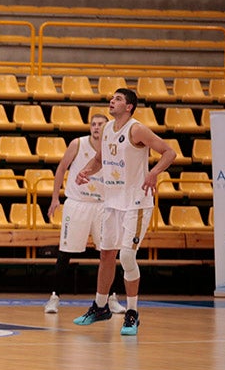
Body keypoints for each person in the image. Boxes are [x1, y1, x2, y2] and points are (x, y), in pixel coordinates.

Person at [73, 88, 176, 336]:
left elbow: (169, 152)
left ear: (129, 106)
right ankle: (100, 307)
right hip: (112, 202)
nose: (112, 101)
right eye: (112, 98)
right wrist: (85, 170)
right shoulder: (107, 129)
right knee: (106, 255)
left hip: (136, 203)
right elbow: (99, 159)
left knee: (127, 257)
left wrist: (153, 173)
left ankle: (132, 312)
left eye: (118, 99)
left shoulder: (136, 129)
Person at [44, 114, 126, 315]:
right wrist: (55, 198)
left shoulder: (113, 146)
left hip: (102, 205)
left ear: (107, 127)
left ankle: (111, 298)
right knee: (65, 253)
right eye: (93, 124)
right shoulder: (78, 144)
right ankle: (54, 297)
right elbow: (62, 168)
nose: (96, 127)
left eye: (100, 124)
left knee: (109, 254)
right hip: (77, 203)